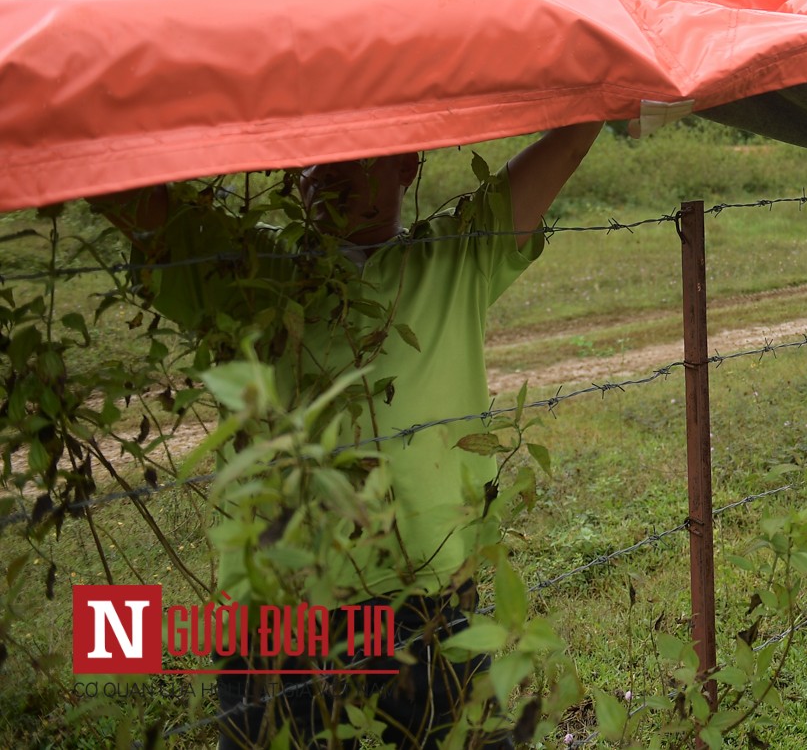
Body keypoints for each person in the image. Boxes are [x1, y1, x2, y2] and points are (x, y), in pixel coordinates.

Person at [95, 123, 603, 750]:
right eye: (305, 151)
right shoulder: (243, 269)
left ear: (407, 166)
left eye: (352, 147)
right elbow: (121, 193)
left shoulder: (453, 259)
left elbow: (574, 140)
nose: (320, 167)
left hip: (426, 609)